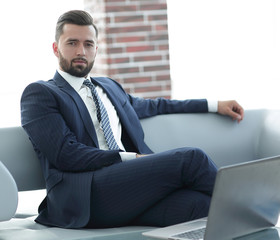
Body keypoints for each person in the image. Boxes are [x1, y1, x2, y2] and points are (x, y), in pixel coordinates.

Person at [20, 10, 244, 229]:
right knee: (191, 158)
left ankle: (249, 220)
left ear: (96, 49)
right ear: (55, 48)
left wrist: (214, 105)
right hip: (87, 195)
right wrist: (130, 158)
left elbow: (156, 105)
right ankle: (249, 209)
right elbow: (65, 153)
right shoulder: (41, 93)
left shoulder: (108, 86)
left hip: (128, 193)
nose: (81, 51)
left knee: (201, 206)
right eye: (72, 43)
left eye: (88, 44)